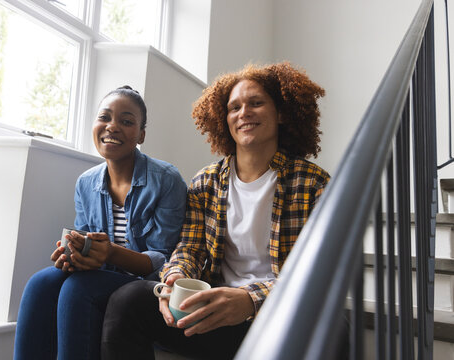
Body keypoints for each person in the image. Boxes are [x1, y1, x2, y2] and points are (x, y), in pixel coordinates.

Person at [101, 63, 331, 360]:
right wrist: (173, 279)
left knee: (336, 327)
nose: (243, 113)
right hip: (214, 314)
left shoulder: (313, 183)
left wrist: (250, 299)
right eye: (234, 107)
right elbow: (190, 249)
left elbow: (317, 272)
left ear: (282, 113)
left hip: (281, 316)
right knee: (128, 299)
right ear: (225, 120)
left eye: (256, 103)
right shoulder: (205, 182)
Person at [13, 86, 187, 360]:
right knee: (40, 283)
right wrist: (73, 254)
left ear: (141, 134)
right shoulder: (86, 182)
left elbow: (164, 259)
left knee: (77, 289)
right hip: (101, 273)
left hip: (144, 284)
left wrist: (110, 253)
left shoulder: (166, 179)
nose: (112, 127)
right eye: (104, 117)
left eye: (127, 121)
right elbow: (83, 240)